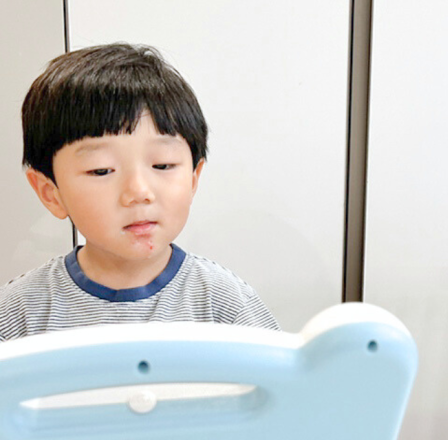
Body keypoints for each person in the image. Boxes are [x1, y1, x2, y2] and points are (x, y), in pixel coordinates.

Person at [0, 43, 279, 342]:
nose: (139, 192)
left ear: (193, 179)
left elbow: (281, 371)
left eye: (163, 165)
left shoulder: (224, 304)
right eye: (101, 170)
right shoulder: (18, 313)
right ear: (51, 193)